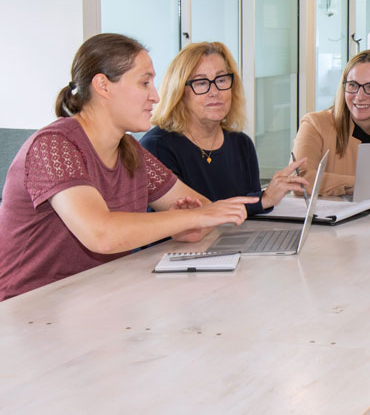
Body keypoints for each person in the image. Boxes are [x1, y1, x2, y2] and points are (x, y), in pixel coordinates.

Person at [0, 34, 255, 301]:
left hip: (98, 301)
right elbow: (102, 234)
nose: (155, 96)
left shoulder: (131, 151)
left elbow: (203, 211)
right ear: (103, 86)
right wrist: (189, 219)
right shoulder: (53, 146)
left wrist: (184, 223)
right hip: (29, 312)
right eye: (144, 83)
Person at [141, 41, 308, 216]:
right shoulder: (157, 147)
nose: (214, 91)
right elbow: (188, 217)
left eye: (221, 80)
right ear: (179, 92)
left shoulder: (241, 144)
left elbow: (252, 217)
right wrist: (263, 200)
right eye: (201, 83)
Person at [292, 49, 370, 196]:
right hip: (332, 218)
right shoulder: (315, 125)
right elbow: (299, 179)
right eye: (353, 85)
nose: (359, 97)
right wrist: (365, 183)